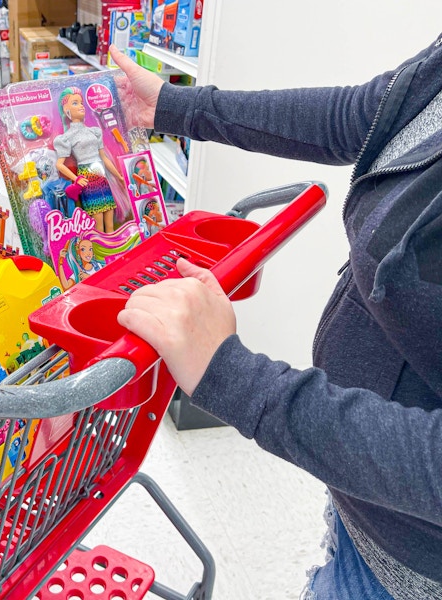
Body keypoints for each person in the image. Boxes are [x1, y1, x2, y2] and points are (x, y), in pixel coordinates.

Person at [110, 34, 442, 600]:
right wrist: (173, 106)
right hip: (363, 495)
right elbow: (366, 114)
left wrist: (231, 375)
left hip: (413, 567)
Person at [54, 86, 124, 233]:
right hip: (87, 177)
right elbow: (59, 164)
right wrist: (76, 178)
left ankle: (112, 251)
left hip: (101, 175)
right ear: (67, 111)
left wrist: (119, 176)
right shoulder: (66, 138)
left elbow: (104, 157)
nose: (81, 106)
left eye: (81, 103)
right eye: (75, 103)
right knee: (98, 223)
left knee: (109, 221)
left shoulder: (94, 131)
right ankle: (100, 252)